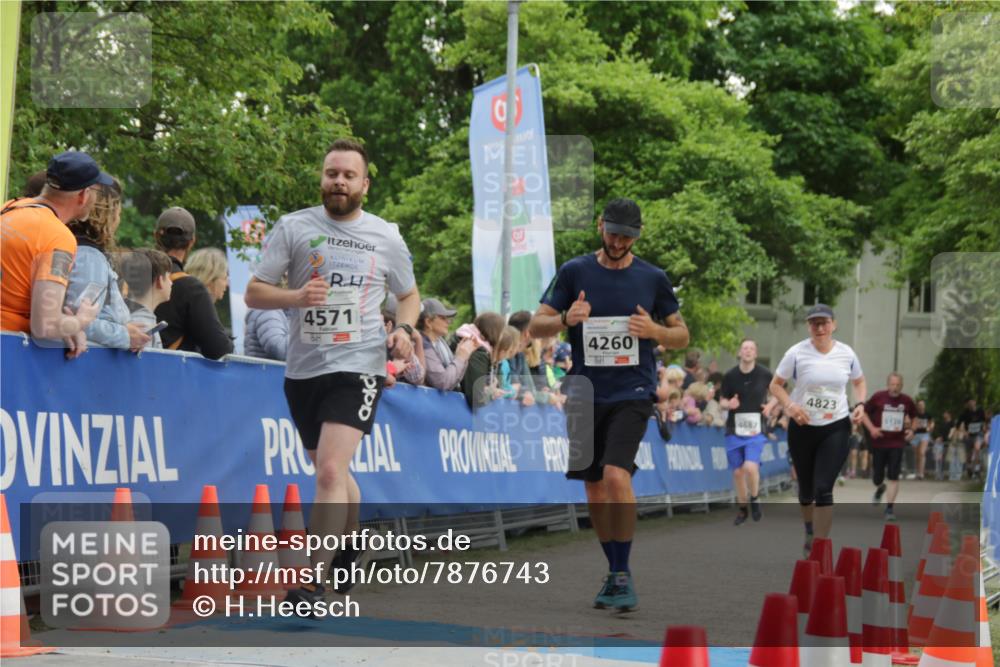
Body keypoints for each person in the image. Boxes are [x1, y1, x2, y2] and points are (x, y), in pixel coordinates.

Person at [245, 138, 419, 612]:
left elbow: (409, 296)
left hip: (359, 365)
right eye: (331, 173)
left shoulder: (385, 235)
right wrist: (296, 297)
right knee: (331, 470)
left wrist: (404, 329)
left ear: (365, 184)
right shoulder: (294, 227)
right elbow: (255, 293)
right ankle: (350, 540)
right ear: (322, 178)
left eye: (348, 175)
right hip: (304, 370)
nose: (338, 182)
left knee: (327, 470)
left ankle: (312, 582)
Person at [529, 197, 688, 613]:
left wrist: (654, 330)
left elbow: (681, 335)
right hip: (585, 392)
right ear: (600, 225)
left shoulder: (653, 278)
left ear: (638, 235)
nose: (618, 243)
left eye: (627, 237)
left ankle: (621, 573)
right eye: (613, 234)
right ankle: (615, 570)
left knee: (616, 474)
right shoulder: (575, 271)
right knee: (594, 486)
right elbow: (535, 324)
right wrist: (566, 319)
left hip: (632, 392)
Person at [769, 304, 867, 555]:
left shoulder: (847, 353)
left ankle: (820, 548)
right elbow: (776, 385)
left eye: (824, 323)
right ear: (808, 327)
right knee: (806, 490)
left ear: (834, 325)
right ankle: (810, 530)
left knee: (823, 487)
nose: (820, 328)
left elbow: (859, 381)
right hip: (803, 427)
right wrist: (790, 406)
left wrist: (860, 404)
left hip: (836, 426)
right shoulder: (796, 353)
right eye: (814, 323)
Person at [1, 151, 109, 357]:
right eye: (96, 191)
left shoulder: (10, 207)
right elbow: (45, 325)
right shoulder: (58, 239)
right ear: (83, 195)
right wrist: (81, 320)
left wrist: (66, 326)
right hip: (7, 350)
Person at [64, 178, 151, 352]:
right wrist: (126, 336)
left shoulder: (80, 250)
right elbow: (77, 320)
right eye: (118, 213)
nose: (118, 220)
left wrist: (124, 329)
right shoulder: (89, 257)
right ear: (108, 214)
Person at [153, 207, 234, 359]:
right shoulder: (191, 288)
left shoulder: (135, 274)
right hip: (172, 370)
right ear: (192, 242)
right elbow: (219, 350)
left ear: (156, 236)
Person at [719, 338, 772, 525]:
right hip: (734, 429)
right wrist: (729, 404)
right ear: (739, 353)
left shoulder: (765, 374)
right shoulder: (730, 375)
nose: (748, 351)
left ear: (755, 353)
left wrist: (770, 406)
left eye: (751, 348)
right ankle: (743, 509)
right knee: (738, 473)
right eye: (745, 348)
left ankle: (755, 498)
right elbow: (722, 401)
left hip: (756, 429)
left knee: (750, 467)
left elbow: (780, 393)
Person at [862, 373, 917, 521]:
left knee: (893, 476)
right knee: (877, 477)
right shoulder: (878, 397)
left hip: (897, 443)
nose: (895, 387)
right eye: (893, 384)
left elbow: (914, 417)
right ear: (888, 385)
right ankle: (880, 487)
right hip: (879, 442)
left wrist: (912, 430)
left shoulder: (907, 400)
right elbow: (863, 414)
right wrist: (872, 429)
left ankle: (889, 509)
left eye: (898, 385)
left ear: (902, 385)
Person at [118, 248, 173, 349]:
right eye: (169, 277)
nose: (171, 283)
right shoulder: (142, 325)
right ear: (160, 281)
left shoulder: (120, 315)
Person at [419, 297, 478, 391]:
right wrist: (461, 357)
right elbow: (442, 382)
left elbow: (455, 381)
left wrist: (462, 356)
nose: (448, 321)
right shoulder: (422, 343)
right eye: (442, 318)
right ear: (428, 322)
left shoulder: (440, 343)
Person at [459, 312, 506, 408]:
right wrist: (490, 393)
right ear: (494, 332)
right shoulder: (478, 353)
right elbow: (476, 398)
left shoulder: (484, 351)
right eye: (502, 332)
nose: (502, 337)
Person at [956, 398, 986, 479]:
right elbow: (957, 426)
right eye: (969, 403)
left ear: (975, 402)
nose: (971, 404)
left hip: (978, 434)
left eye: (972, 402)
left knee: (977, 449)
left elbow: (984, 421)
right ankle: (969, 468)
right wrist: (964, 432)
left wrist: (984, 429)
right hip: (969, 436)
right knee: (968, 456)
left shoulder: (980, 411)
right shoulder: (964, 413)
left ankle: (977, 469)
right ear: (967, 404)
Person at [909, 399, 934, 480]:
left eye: (922, 404)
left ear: (924, 405)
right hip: (915, 435)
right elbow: (910, 423)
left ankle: (921, 474)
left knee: (922, 453)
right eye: (919, 405)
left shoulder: (928, 414)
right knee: (917, 455)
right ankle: (917, 472)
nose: (921, 406)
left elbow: (932, 422)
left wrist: (930, 427)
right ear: (917, 406)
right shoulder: (914, 414)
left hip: (924, 435)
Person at [932, 409, 954, 481]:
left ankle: (950, 474)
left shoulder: (952, 423)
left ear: (949, 414)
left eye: (945, 413)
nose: (944, 415)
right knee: (939, 459)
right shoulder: (942, 423)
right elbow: (939, 432)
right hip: (941, 443)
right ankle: (939, 474)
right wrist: (939, 437)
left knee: (948, 459)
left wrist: (948, 438)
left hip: (948, 443)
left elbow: (952, 432)